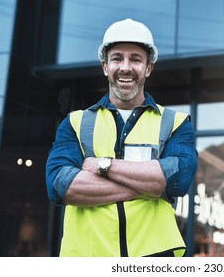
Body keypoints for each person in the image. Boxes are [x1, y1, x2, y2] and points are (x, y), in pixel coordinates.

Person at [45, 18, 198, 257]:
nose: (125, 67)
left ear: (148, 68)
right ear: (105, 66)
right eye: (117, 58)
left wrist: (102, 165)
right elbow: (60, 186)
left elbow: (178, 181)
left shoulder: (175, 123)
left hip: (154, 258)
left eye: (135, 59)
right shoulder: (75, 123)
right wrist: (151, 186)